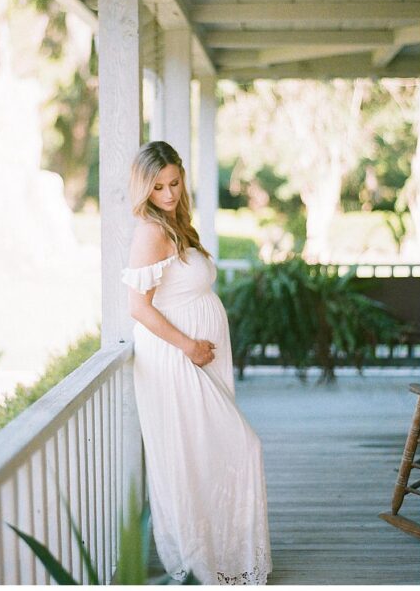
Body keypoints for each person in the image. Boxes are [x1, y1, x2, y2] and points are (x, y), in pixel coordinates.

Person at [122, 141, 272, 583]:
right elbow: (137, 307)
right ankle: (201, 562)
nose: (168, 194)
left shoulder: (176, 224)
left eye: (174, 183)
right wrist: (189, 346)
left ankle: (223, 555)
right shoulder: (150, 232)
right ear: (144, 189)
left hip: (197, 358)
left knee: (208, 455)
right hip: (175, 359)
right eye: (158, 187)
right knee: (231, 449)